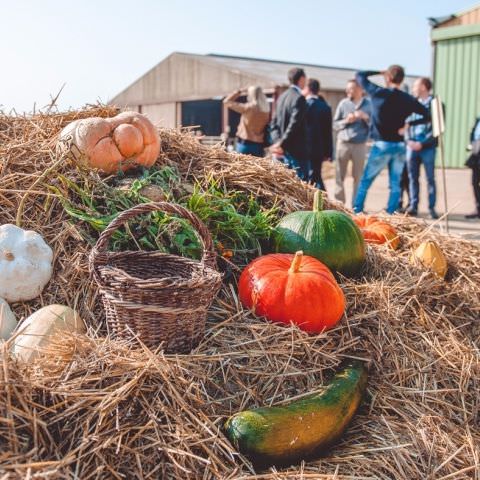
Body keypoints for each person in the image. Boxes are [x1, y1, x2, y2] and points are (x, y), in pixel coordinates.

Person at [352, 65, 430, 214]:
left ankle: (357, 211)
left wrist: (378, 71)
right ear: (401, 79)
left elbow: (359, 75)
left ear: (387, 77)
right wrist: (409, 124)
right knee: (395, 183)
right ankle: (391, 213)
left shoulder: (378, 92)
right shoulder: (407, 99)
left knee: (366, 181)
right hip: (400, 145)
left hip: (381, 144)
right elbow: (427, 115)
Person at [404, 77, 438, 219]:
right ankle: (413, 205)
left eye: (416, 85)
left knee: (430, 178)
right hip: (411, 146)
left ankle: (431, 208)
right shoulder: (411, 104)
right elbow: (405, 125)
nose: (413, 88)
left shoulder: (436, 105)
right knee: (412, 178)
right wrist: (409, 141)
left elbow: (437, 129)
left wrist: (422, 144)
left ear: (423, 87)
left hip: (427, 147)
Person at [333, 79, 371, 204]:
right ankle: (340, 204)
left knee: (358, 177)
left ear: (360, 90)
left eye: (351, 89)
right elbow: (334, 125)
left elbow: (375, 127)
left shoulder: (369, 105)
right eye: (347, 88)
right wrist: (346, 121)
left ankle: (356, 206)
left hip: (360, 145)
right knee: (339, 176)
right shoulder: (343, 103)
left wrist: (365, 118)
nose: (347, 91)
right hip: (343, 144)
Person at [270, 68, 308, 179]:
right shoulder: (299, 98)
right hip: (296, 152)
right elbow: (294, 124)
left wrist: (277, 142)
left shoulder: (281, 97)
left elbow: (273, 123)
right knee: (300, 186)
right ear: (301, 79)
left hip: (282, 151)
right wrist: (281, 143)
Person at [223, 86, 270, 157]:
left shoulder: (248, 107)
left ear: (251, 94)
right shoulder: (266, 110)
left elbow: (226, 102)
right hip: (259, 145)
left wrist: (239, 91)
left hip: (245, 143)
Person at [303, 78, 333, 190]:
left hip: (305, 148)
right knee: (316, 174)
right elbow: (328, 132)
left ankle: (321, 198)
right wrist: (328, 152)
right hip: (319, 149)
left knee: (311, 177)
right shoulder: (325, 107)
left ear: (308, 89)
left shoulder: (304, 105)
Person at [465, 116, 480, 219]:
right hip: (476, 155)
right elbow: (473, 134)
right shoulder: (478, 120)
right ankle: (478, 208)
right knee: (475, 182)